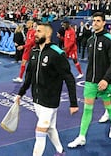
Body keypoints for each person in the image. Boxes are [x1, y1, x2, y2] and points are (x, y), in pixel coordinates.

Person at [15, 22, 79, 156]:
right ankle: (60, 151)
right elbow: (29, 76)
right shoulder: (34, 51)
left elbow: (69, 78)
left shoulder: (57, 53)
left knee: (40, 132)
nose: (35, 34)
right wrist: (21, 93)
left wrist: (73, 103)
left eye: (39, 31)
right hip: (36, 98)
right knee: (50, 128)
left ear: (48, 34)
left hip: (50, 101)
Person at [68, 12, 111, 148]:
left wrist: (106, 79)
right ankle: (81, 137)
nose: (95, 23)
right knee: (87, 109)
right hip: (91, 81)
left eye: (98, 21)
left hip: (105, 82)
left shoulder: (109, 40)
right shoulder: (91, 40)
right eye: (94, 20)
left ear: (103, 23)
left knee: (108, 106)